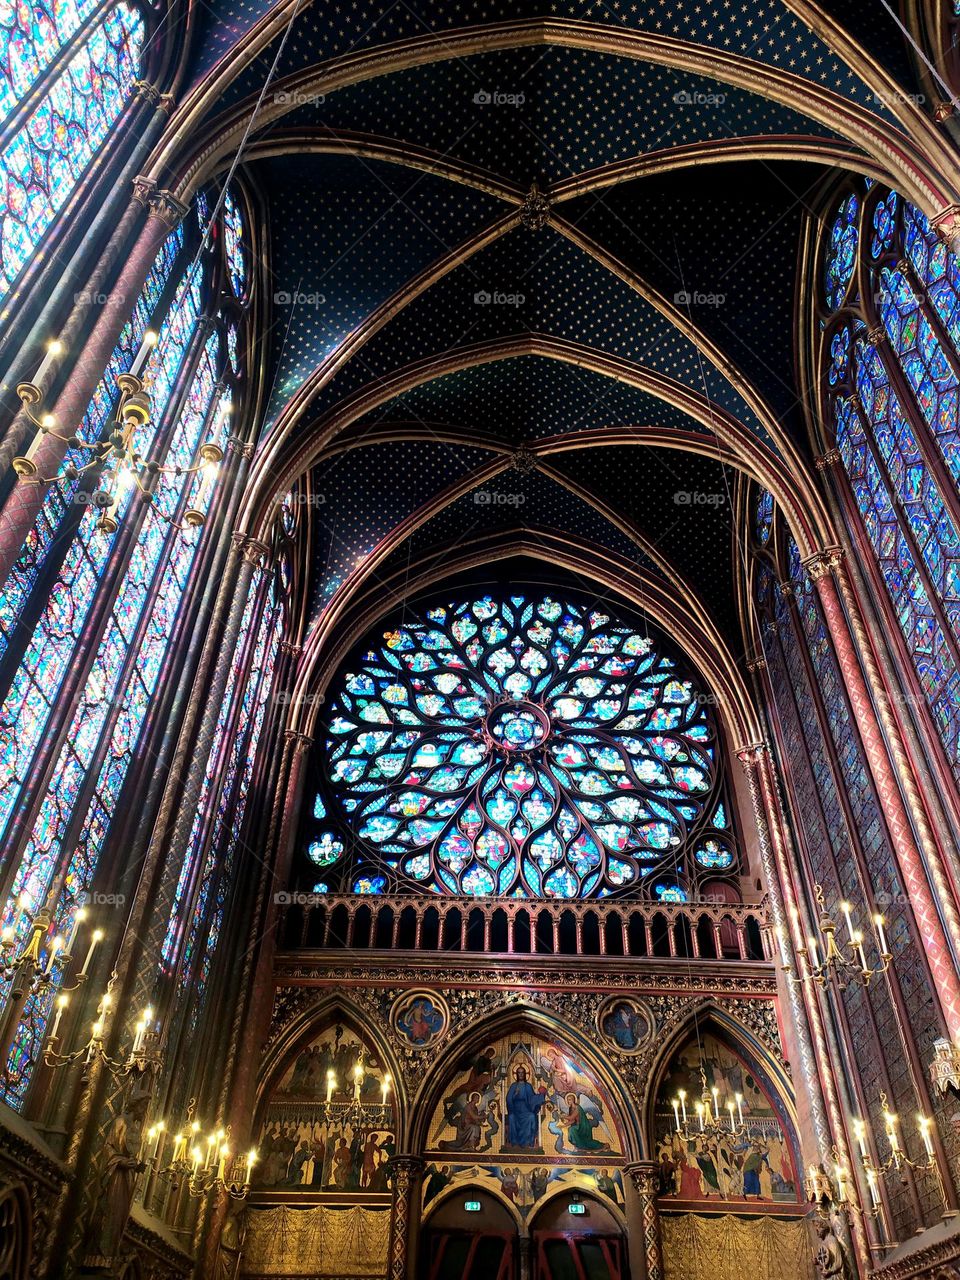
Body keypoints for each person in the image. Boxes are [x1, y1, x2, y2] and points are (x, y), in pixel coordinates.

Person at [505, 1067, 548, 1149]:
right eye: (519, 1073)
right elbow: (509, 1099)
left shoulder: (528, 1086)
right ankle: (514, 1142)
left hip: (526, 1108)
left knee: (531, 1116)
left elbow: (532, 1098)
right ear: (516, 1074)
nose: (520, 1074)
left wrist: (541, 1095)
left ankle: (529, 1141)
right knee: (511, 1117)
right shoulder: (514, 1086)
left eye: (522, 1073)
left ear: (525, 1074)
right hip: (515, 1109)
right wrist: (515, 1095)